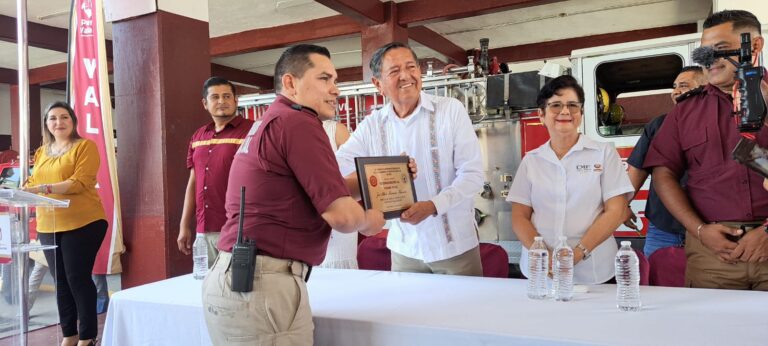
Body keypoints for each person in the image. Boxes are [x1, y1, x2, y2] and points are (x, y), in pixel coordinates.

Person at [202, 44, 386, 345]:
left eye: (336, 80)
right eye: (325, 79)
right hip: (263, 285)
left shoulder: (275, 120)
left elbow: (323, 188)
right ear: (290, 83)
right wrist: (370, 220)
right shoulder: (299, 122)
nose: (336, 90)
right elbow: (342, 216)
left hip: (239, 278)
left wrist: (384, 177)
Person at [335, 42, 485, 276]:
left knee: (464, 312)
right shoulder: (373, 125)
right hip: (404, 251)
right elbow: (338, 163)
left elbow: (473, 174)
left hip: (455, 248)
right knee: (407, 312)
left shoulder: (450, 110)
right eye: (394, 71)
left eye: (411, 67)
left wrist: (433, 206)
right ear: (378, 84)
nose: (406, 76)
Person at [645, 9, 768, 290]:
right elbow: (663, 173)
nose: (711, 61)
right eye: (705, 53)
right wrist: (699, 231)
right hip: (713, 255)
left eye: (721, 50)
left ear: (755, 46)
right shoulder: (685, 112)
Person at [507, 75, 633, 284]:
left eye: (572, 106)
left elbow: (616, 211)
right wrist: (540, 253)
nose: (565, 111)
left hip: (593, 270)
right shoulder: (532, 161)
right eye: (556, 105)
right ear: (541, 114)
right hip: (540, 271)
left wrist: (577, 254)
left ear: (581, 114)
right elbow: (519, 217)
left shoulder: (603, 153)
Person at [22, 101, 107, 346]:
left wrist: (43, 188)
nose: (58, 122)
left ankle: (88, 336)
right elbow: (33, 182)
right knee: (60, 282)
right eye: (52, 119)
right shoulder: (41, 152)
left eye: (64, 117)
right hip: (48, 224)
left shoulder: (84, 147)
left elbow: (80, 182)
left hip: (83, 222)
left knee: (77, 278)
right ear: (47, 124)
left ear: (73, 121)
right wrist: (27, 189)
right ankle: (69, 335)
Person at [624, 66, 707, 258]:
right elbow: (636, 172)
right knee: (656, 282)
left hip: (707, 229)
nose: (676, 91)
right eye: (674, 86)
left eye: (684, 86)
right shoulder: (658, 125)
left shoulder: (720, 123)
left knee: (705, 285)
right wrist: (622, 205)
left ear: (706, 89)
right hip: (662, 229)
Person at [178, 77, 254, 267]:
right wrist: (184, 225)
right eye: (215, 97)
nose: (222, 101)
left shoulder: (253, 131)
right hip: (204, 230)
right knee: (206, 288)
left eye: (227, 96)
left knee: (236, 289)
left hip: (239, 228)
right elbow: (193, 183)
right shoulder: (198, 136)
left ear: (236, 100)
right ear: (205, 103)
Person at [318, 120, 359, 269]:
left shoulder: (336, 130)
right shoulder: (286, 129)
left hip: (339, 219)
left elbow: (356, 175)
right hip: (303, 226)